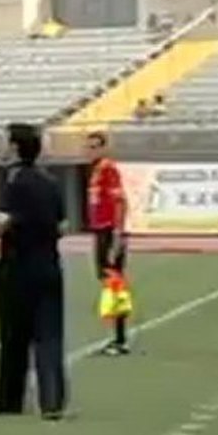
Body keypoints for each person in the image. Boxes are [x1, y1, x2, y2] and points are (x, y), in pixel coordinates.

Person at [0, 123, 67, 420]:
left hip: (17, 267)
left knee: (14, 337)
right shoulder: (50, 182)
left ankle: (10, 401)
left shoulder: (11, 179)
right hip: (49, 266)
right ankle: (52, 401)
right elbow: (62, 226)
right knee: (49, 336)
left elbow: (2, 217)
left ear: (15, 147)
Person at [86, 130, 130, 355]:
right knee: (108, 283)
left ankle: (120, 338)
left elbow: (121, 201)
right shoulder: (95, 170)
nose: (90, 150)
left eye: (95, 146)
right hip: (100, 231)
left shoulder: (108, 169)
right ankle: (117, 336)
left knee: (114, 284)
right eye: (89, 146)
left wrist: (118, 235)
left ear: (103, 148)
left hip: (108, 231)